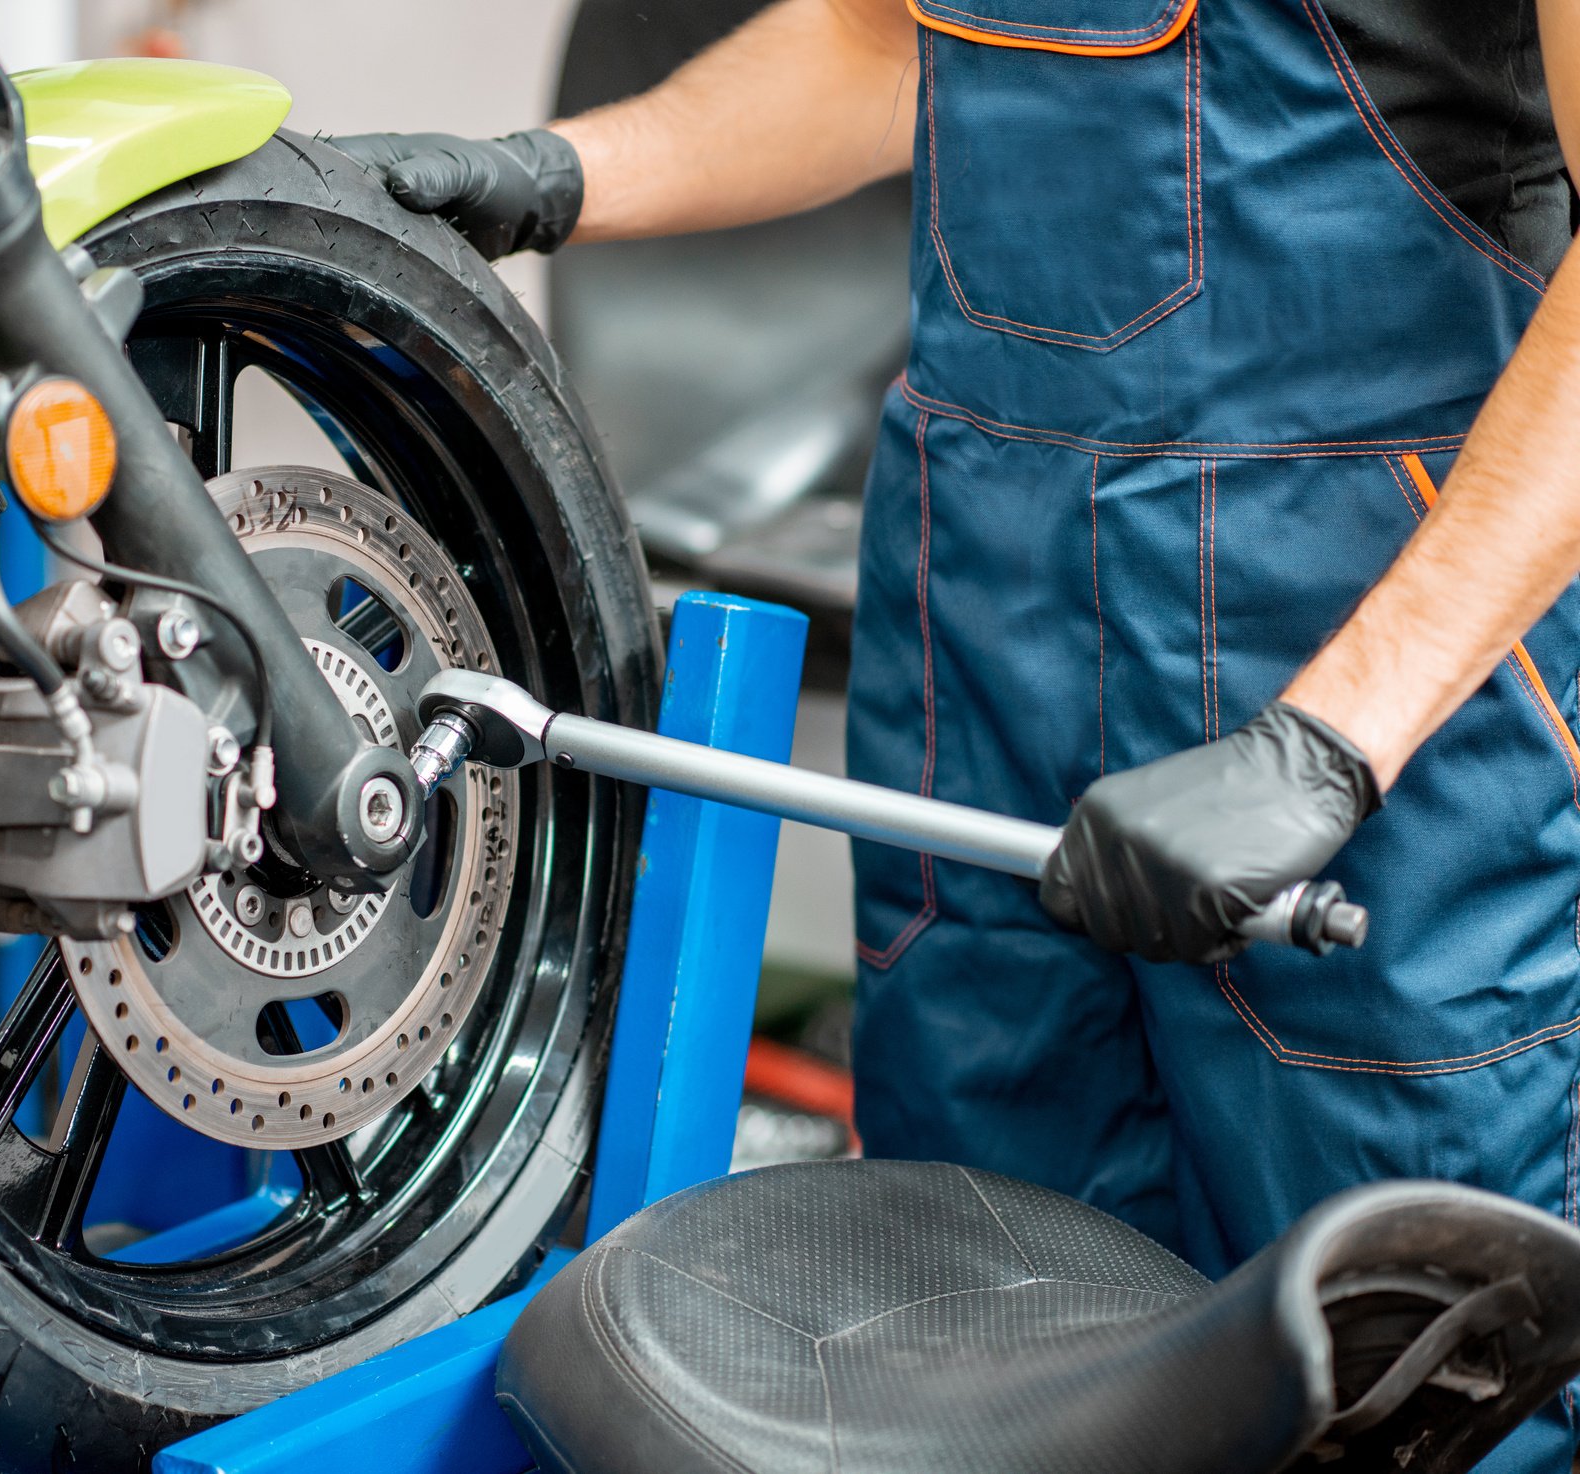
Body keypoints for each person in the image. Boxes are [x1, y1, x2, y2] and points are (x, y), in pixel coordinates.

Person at [342, 1, 1580, 1466]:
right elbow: (887, 46)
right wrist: (557, 175)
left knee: (1400, 1361)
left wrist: (1333, 736)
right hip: (979, 633)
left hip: (1369, 673)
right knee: (958, 1329)